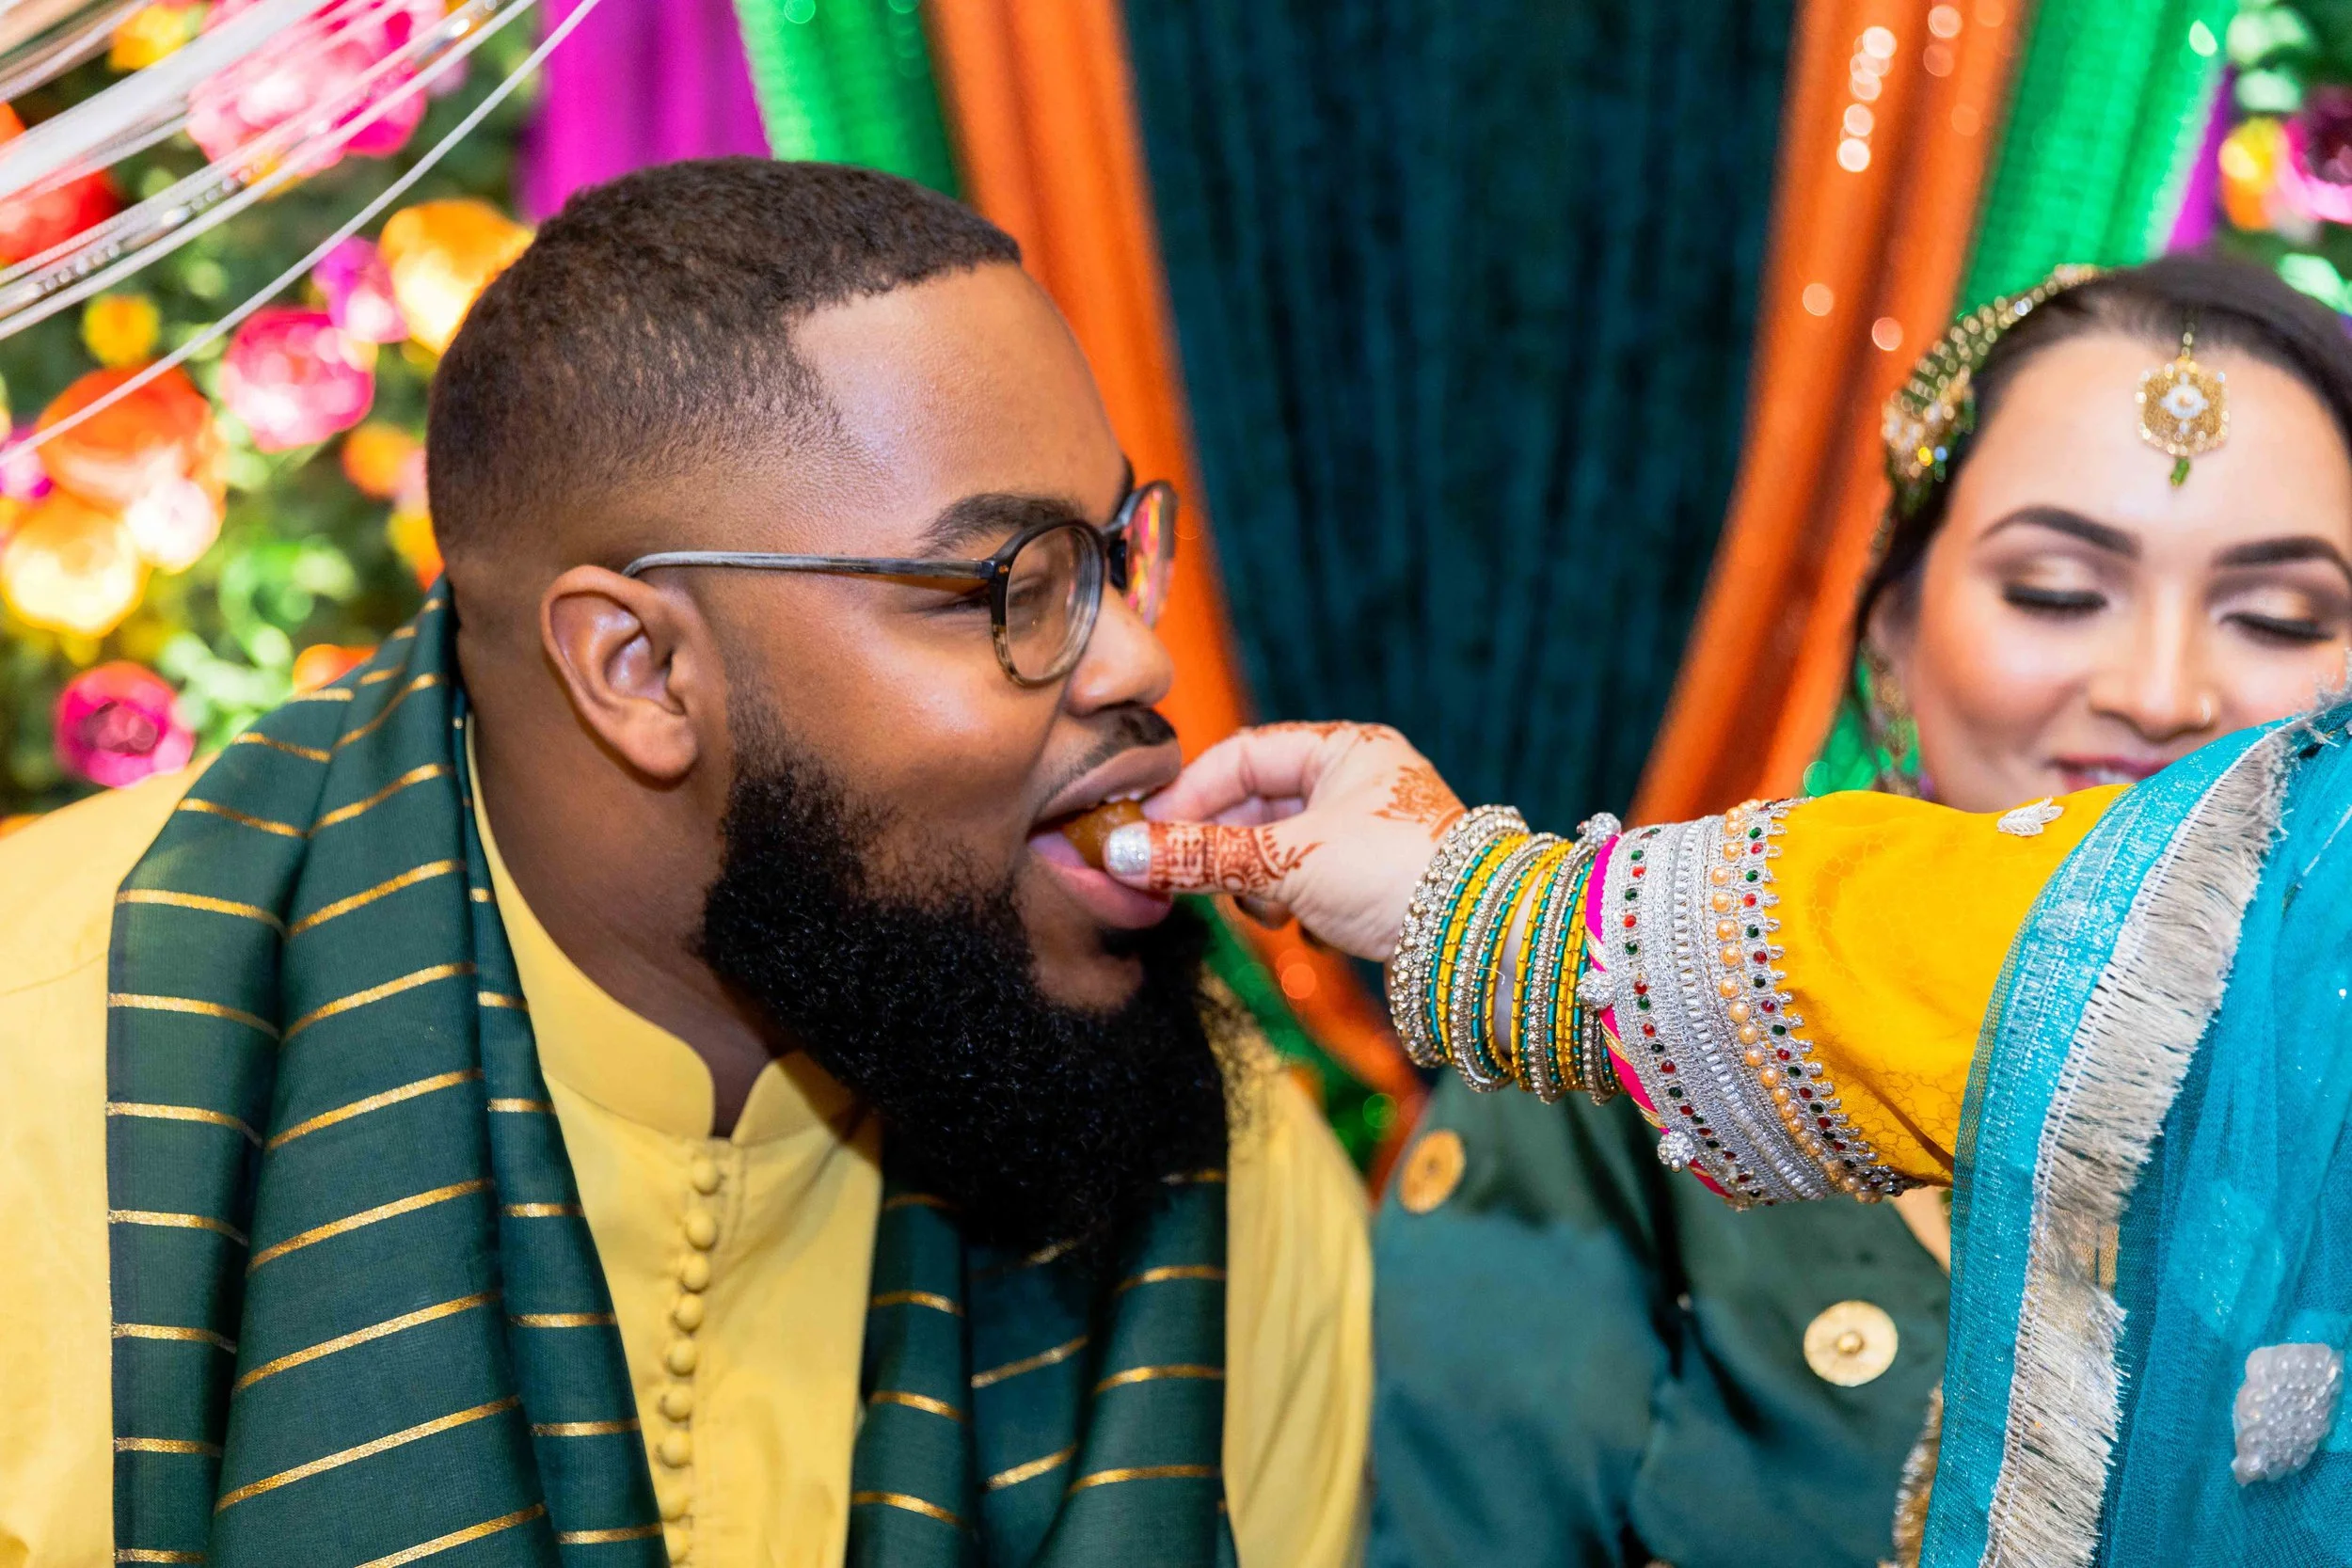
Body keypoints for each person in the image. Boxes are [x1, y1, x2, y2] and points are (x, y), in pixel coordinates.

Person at [0, 159, 1369, 1568]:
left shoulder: (1229, 1180)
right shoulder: (47, 1079)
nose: (1141, 659)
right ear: (639, 669)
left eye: (1117, 555)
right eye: (1015, 588)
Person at [1106, 257, 2352, 1565]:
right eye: (2054, 591)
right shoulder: (1608, 1075)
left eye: (2279, 617)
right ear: (1893, 645)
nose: (2158, 693)